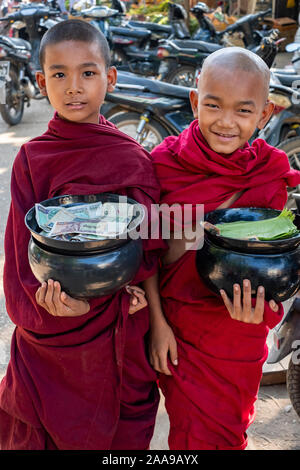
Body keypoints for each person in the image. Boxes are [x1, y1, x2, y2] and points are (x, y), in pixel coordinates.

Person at [0, 19, 166, 450]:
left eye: (88, 73)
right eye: (59, 74)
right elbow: (21, 258)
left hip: (120, 329)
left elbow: (147, 249)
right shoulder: (33, 160)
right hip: (53, 336)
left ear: (109, 79)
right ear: (41, 82)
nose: (74, 87)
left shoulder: (132, 159)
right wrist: (44, 306)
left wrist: (146, 303)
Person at [145, 47, 300, 450]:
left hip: (238, 335)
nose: (226, 122)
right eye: (213, 105)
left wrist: (265, 313)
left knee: (229, 432)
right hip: (180, 331)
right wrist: (158, 325)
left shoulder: (269, 174)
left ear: (264, 114)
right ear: (195, 100)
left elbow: (271, 262)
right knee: (194, 435)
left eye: (243, 112)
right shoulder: (163, 166)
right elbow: (148, 256)